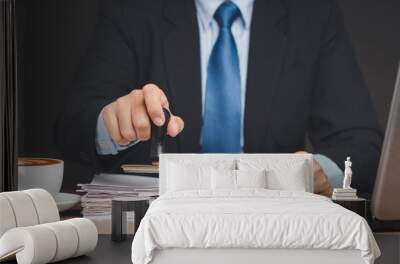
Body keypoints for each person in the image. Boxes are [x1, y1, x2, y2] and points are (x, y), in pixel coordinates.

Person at [57, 0, 383, 196]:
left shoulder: (311, 14)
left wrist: (319, 172)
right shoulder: (133, 10)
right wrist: (115, 124)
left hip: (273, 222)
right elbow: (72, 125)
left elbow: (363, 143)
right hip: (165, 225)